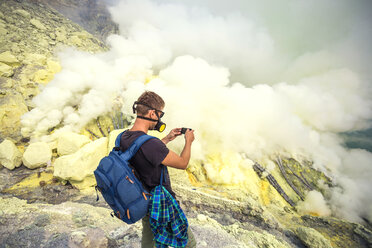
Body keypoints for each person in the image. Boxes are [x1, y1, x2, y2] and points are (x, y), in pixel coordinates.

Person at [120, 91, 197, 248]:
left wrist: (167, 139)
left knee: (149, 241)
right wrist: (188, 141)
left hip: (142, 198)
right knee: (189, 243)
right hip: (160, 202)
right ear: (151, 113)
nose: (160, 119)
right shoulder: (151, 144)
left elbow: (140, 150)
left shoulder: (124, 136)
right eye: (160, 114)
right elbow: (182, 163)